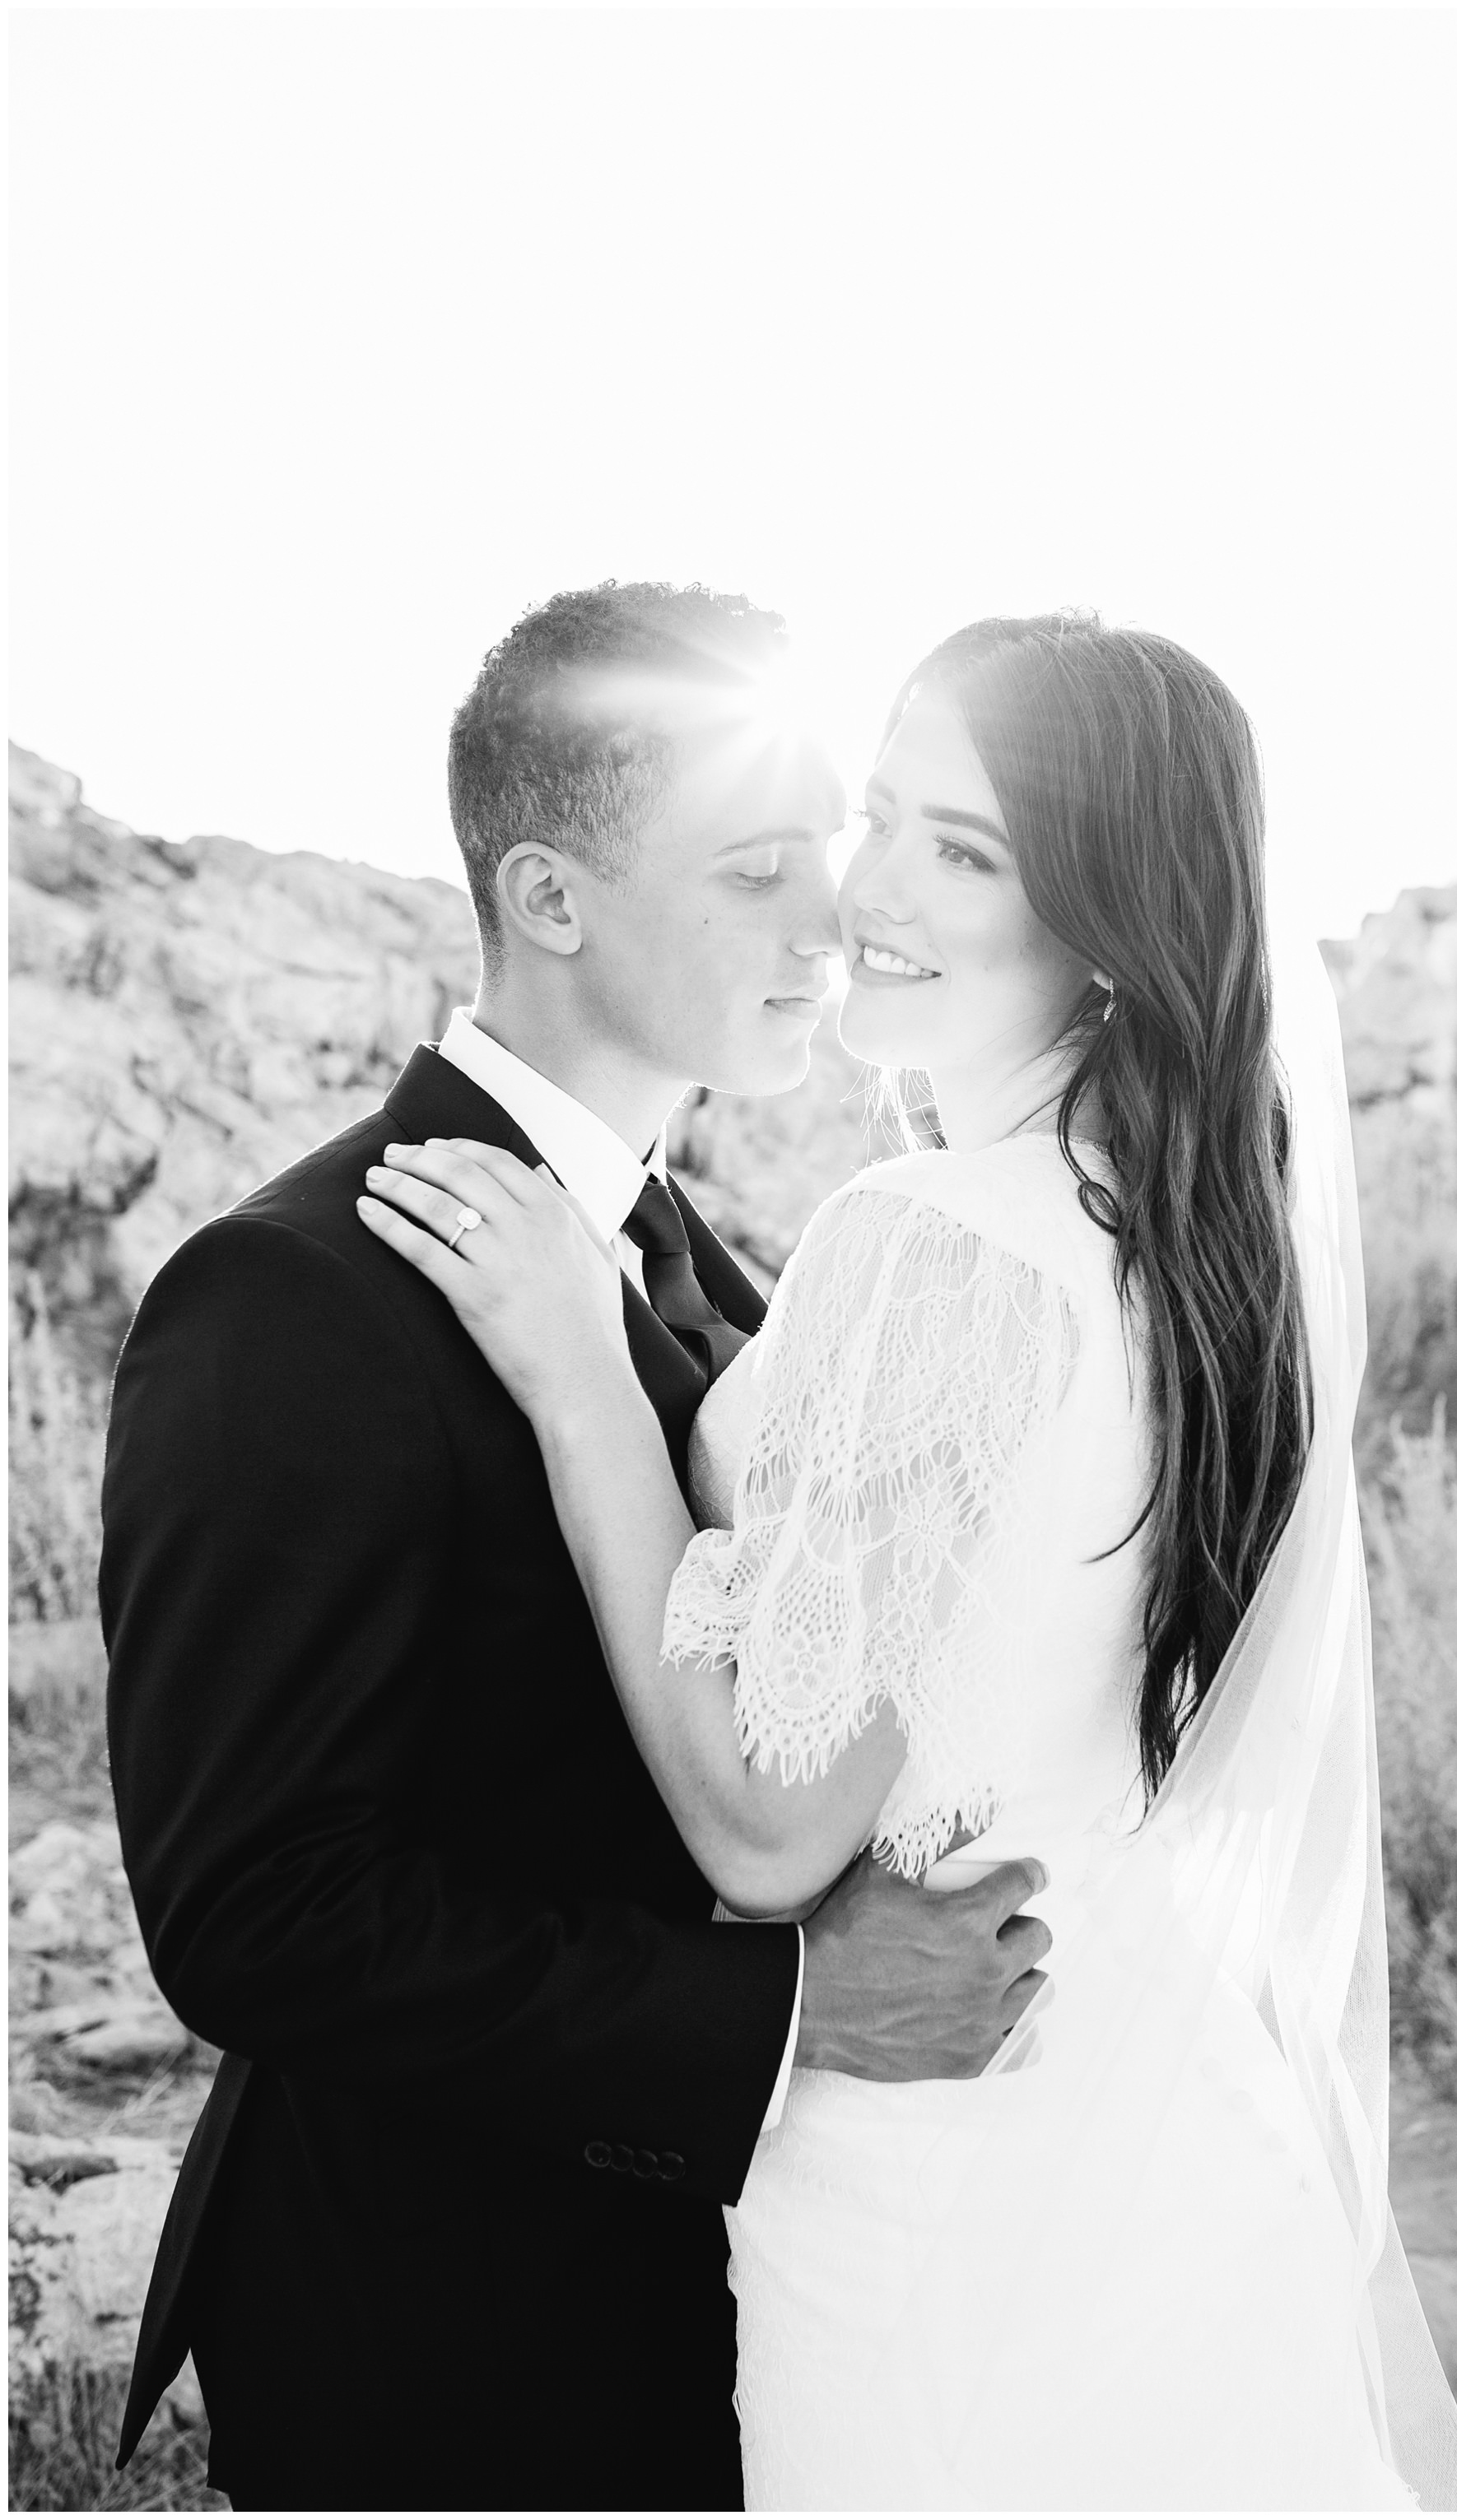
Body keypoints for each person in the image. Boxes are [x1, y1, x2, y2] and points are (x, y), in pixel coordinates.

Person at [365, 612, 1457, 2511]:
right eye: (876, 810)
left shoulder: (942, 1242)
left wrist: (583, 1379)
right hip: (1152, 2116)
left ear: (1108, 928)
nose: (860, 890)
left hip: (948, 2193)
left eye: (961, 852)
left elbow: (764, 1822)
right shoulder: (1187, 1240)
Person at [101, 583, 1054, 2513]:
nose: (835, 920)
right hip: (450, 2334)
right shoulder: (287, 1299)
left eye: (838, 854)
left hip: (726, 2302)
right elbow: (254, 1910)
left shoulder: (728, 1271)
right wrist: (792, 2012)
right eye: (756, 869)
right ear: (548, 899)